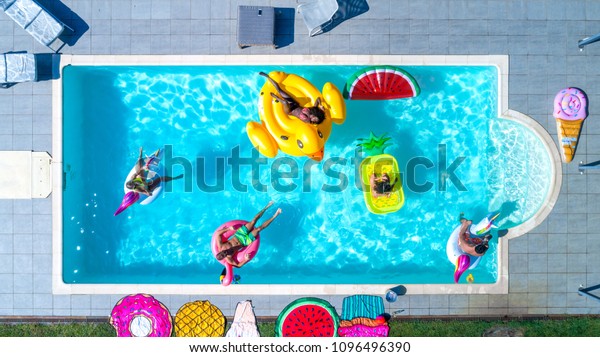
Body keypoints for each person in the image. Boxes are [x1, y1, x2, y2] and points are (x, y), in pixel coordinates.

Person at [215, 201, 282, 268]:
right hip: (245, 241)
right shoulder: (228, 258)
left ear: (220, 251)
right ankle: (276, 215)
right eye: (225, 255)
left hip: (239, 234)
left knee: (253, 221)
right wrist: (246, 259)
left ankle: (267, 206)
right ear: (224, 257)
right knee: (259, 229)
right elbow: (238, 265)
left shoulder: (221, 246)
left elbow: (218, 234)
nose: (226, 253)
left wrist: (228, 229)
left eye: (224, 252)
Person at [259, 71, 326, 125]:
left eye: (315, 120)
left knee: (285, 102)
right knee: (279, 89)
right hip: (294, 104)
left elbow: (305, 116)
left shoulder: (307, 120)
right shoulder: (312, 110)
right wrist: (320, 105)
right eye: (315, 118)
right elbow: (318, 99)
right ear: (316, 114)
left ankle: (276, 97)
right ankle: (267, 76)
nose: (314, 119)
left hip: (290, 111)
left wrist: (312, 114)